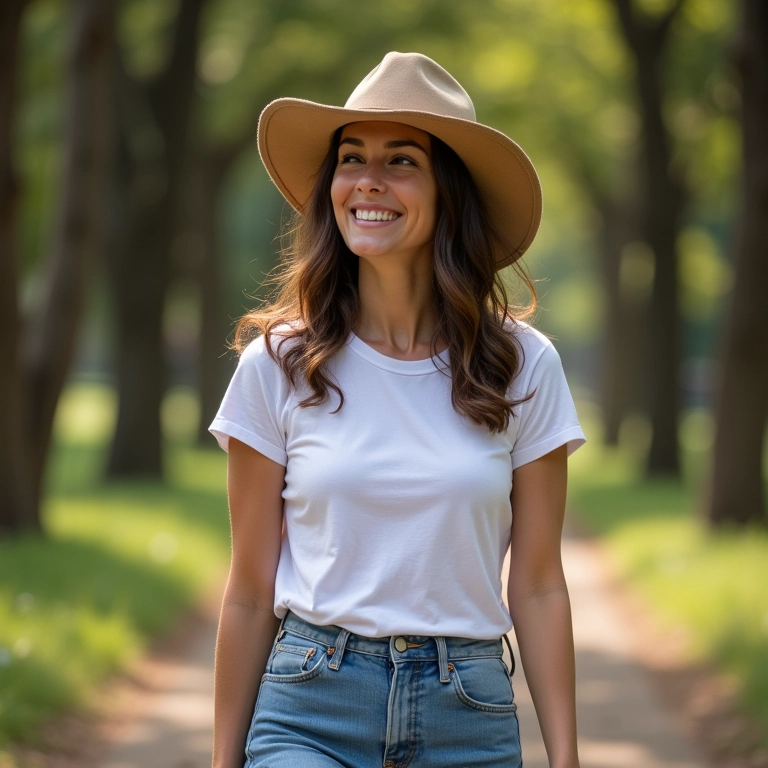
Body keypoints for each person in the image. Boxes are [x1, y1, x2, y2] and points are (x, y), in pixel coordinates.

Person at [208, 51, 586, 768]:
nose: (368, 181)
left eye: (401, 160)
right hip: (309, 705)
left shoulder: (523, 365)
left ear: (449, 192)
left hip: (466, 712)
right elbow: (250, 590)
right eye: (352, 158)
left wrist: (566, 759)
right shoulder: (278, 367)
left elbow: (537, 583)